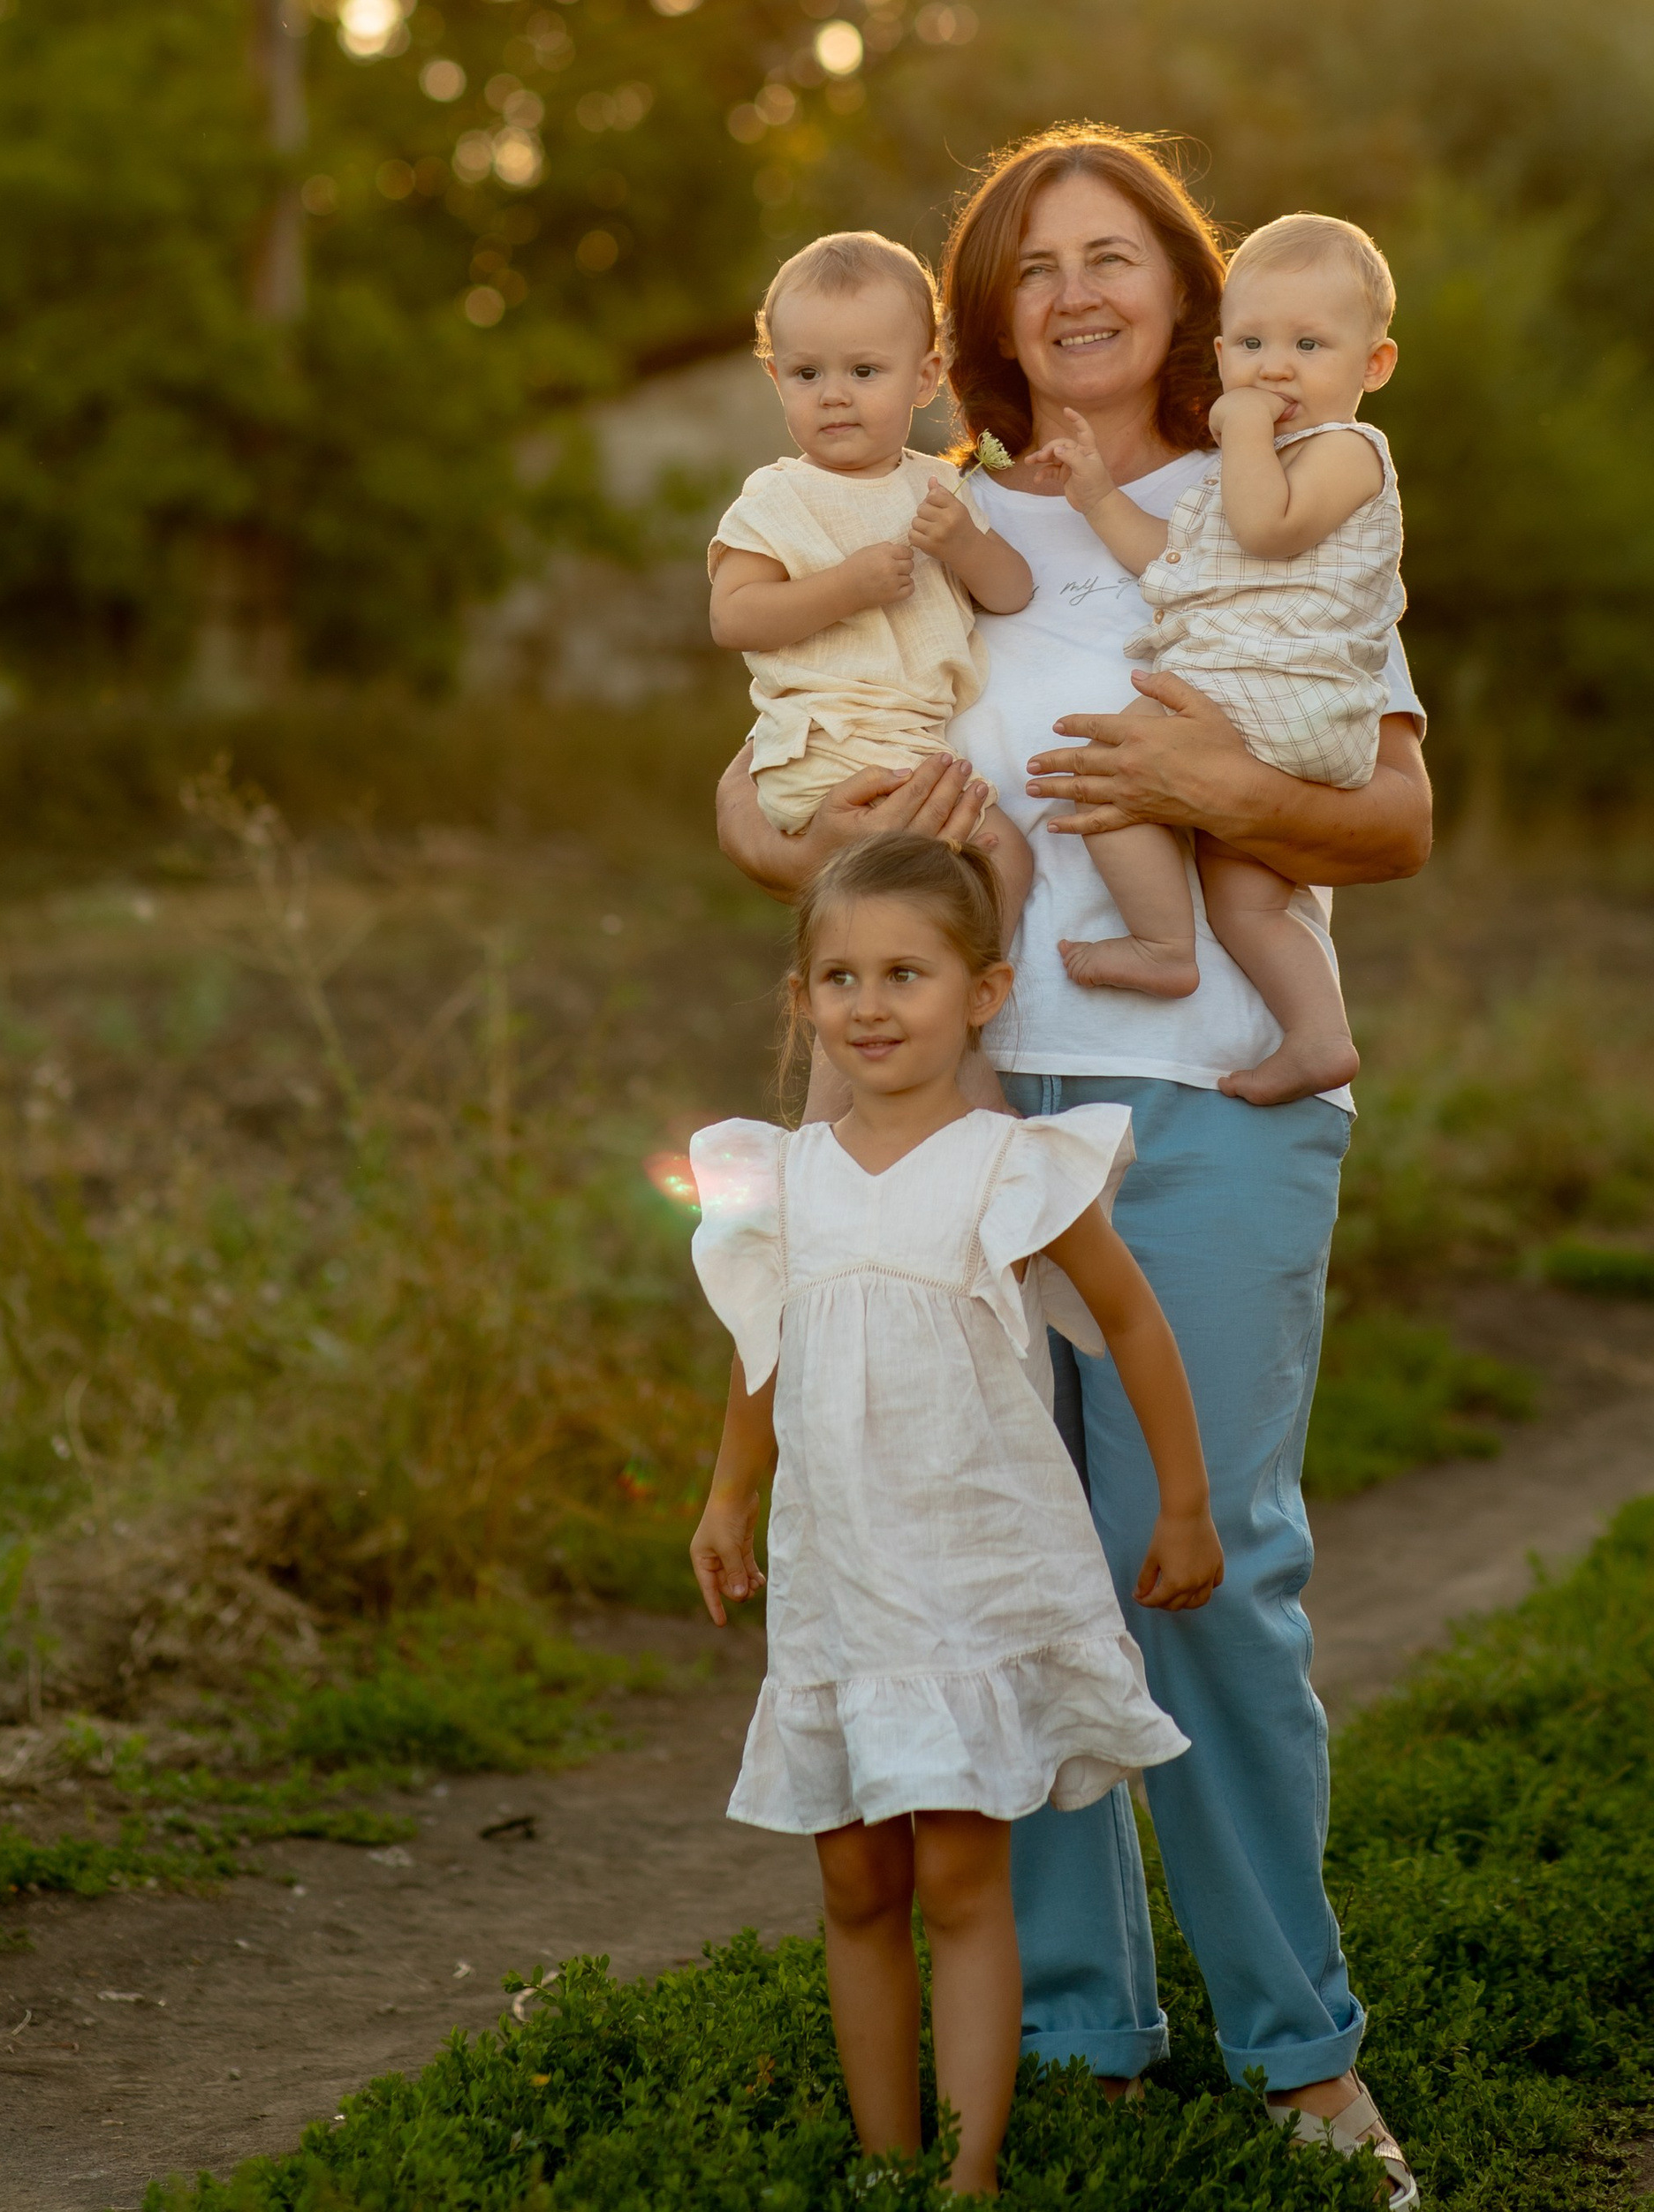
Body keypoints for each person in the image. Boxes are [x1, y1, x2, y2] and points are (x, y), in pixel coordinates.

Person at [716, 126, 1429, 2207]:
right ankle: (1072, 2034)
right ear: (980, 315)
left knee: (1196, 1576)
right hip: (955, 1113)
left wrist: (1201, 775)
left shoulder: (1277, 477)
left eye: (1115, 255)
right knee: (979, 1576)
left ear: (1187, 288)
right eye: (1036, 266)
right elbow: (764, 805)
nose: (1078, 291)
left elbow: (1386, 813)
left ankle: (1301, 2051)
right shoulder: (922, 510)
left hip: (1202, 1099)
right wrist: (853, 821)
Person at [687, 831, 1223, 2199]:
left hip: (970, 1582)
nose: (870, 1005)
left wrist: (1185, 1503)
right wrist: (728, 1492)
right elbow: (765, 1347)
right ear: (803, 999)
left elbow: (1133, 1322)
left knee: (959, 1885)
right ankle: (886, 2163)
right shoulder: (780, 1178)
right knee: (856, 1889)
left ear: (982, 994)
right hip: (841, 1580)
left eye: (906, 974)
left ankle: (970, 2174)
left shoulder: (1011, 1168)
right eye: (840, 976)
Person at [1033, 209, 1404, 1103]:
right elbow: (1172, 562)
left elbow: (1265, 529)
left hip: (1277, 696)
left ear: (1374, 365)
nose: (1274, 367)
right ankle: (1318, 1037)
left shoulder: (1349, 453)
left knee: (1113, 766)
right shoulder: (1239, 475)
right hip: (1273, 716)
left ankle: (1163, 949)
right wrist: (1094, 497)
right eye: (1249, 343)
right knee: (1248, 896)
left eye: (1309, 344)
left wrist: (1238, 430)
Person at [709, 230, 1036, 923]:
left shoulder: (941, 486)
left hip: (916, 748)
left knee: (998, 862)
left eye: (863, 372)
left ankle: (970, 990)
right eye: (807, 375)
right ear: (777, 379)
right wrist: (845, 589)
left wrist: (967, 547)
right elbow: (732, 616)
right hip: (831, 747)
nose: (833, 396)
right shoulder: (777, 497)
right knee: (943, 876)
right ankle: (954, 998)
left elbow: (1012, 593)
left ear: (924, 378)